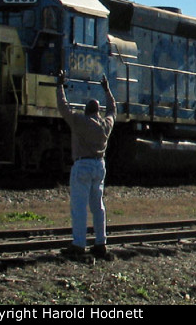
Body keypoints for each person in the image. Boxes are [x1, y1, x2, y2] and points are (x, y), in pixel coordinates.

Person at [57, 70, 116, 258]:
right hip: (99, 166)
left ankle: (79, 244)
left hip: (82, 166)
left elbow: (63, 107)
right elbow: (113, 110)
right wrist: (107, 90)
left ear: (86, 110)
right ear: (98, 111)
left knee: (79, 206)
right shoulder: (106, 124)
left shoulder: (79, 122)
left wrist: (60, 86)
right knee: (98, 206)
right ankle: (101, 243)